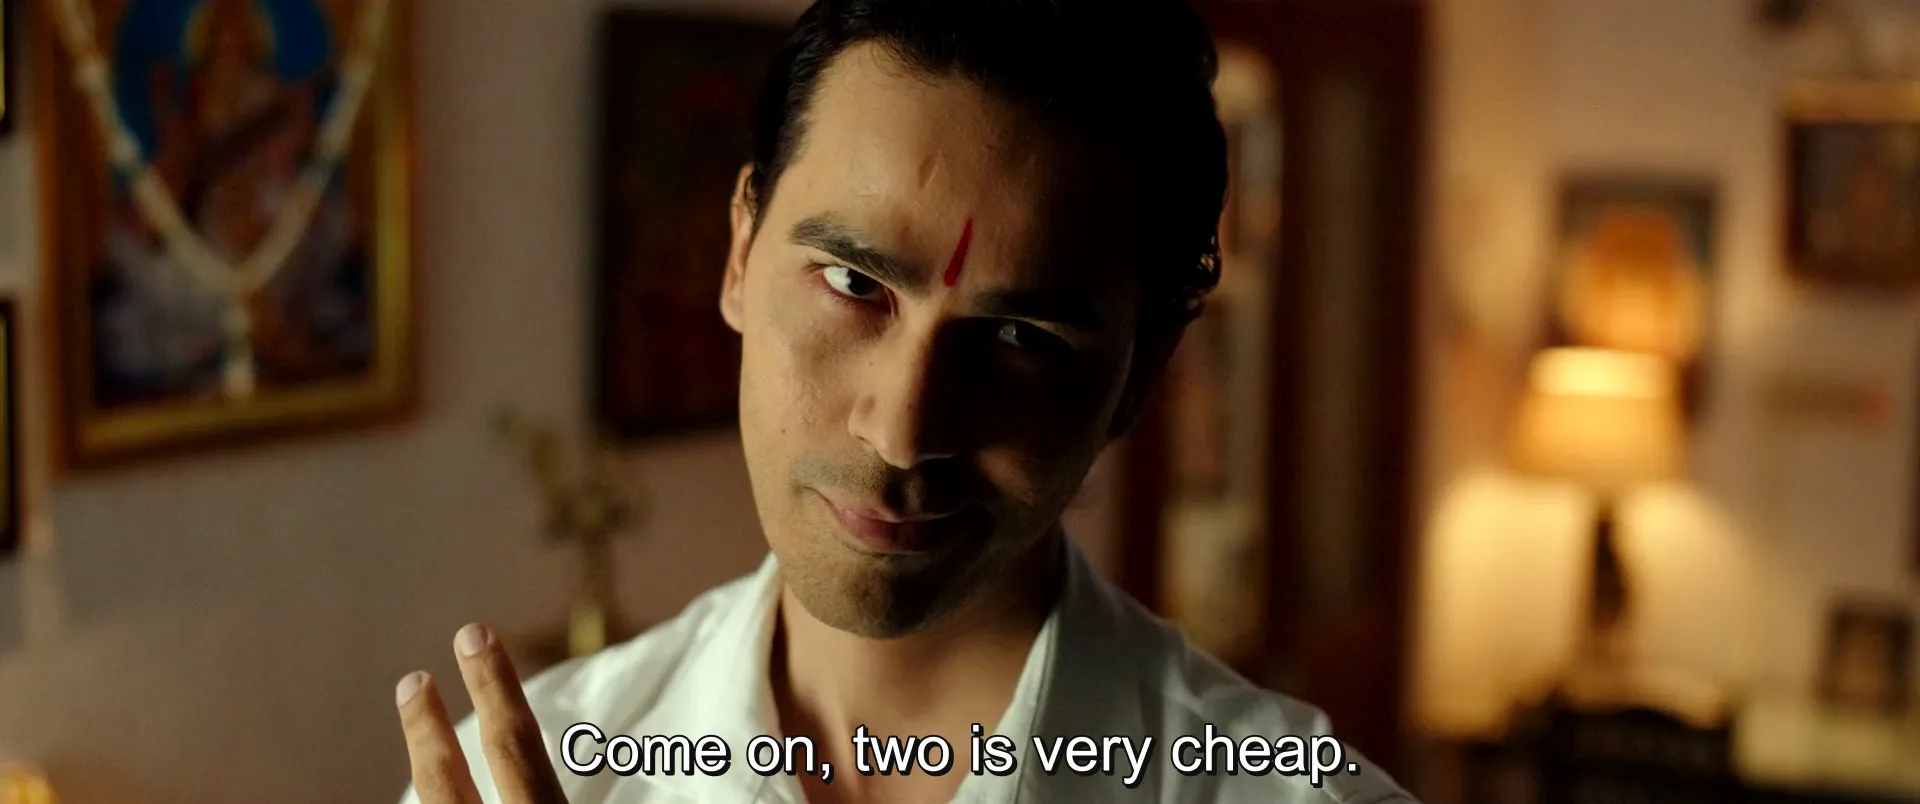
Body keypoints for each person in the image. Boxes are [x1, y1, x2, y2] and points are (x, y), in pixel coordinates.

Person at [394, 1, 1419, 802]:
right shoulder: (524, 776)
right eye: (852, 284)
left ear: (1140, 377)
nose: (902, 430)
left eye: (1020, 338)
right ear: (741, 254)